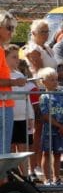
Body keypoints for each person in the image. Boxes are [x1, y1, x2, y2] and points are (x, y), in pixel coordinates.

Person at [37, 67, 63, 186]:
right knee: (46, 153)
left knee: (58, 154)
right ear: (43, 82)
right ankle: (47, 179)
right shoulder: (44, 97)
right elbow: (45, 115)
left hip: (61, 130)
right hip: (48, 131)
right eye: (51, 80)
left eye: (56, 79)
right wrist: (60, 125)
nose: (55, 82)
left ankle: (57, 178)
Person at [1, 11, 27, 155]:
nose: (12, 32)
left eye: (13, 28)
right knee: (3, 152)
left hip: (6, 105)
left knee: (4, 151)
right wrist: (14, 82)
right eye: (9, 28)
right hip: (2, 106)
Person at [7, 45, 35, 176]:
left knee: (22, 148)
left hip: (21, 118)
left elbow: (26, 98)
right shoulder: (4, 77)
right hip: (8, 117)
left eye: (17, 57)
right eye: (13, 57)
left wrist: (30, 116)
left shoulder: (20, 75)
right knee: (10, 148)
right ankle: (13, 176)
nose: (17, 60)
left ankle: (25, 176)